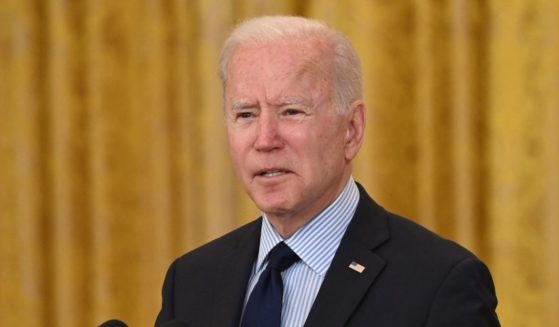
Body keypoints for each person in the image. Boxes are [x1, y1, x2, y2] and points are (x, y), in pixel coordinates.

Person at [155, 16, 500, 327]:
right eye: (246, 114)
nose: (265, 139)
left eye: (291, 111)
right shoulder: (190, 282)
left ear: (351, 129)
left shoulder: (438, 283)